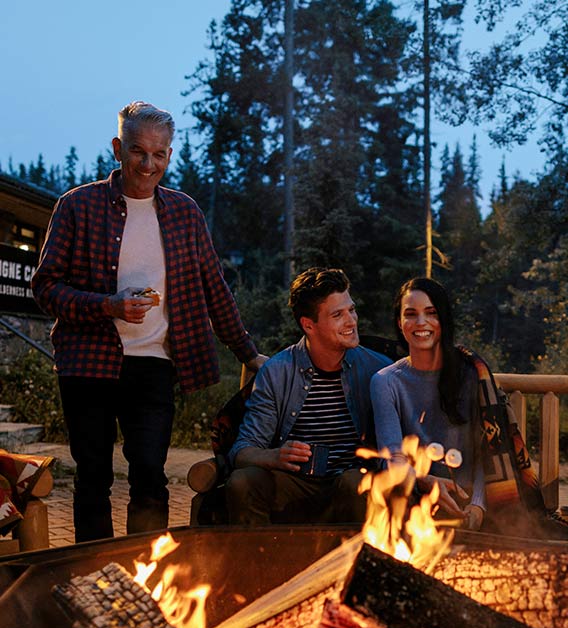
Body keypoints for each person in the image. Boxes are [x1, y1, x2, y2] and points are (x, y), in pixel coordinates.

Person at [31, 100, 265, 544]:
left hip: (155, 365)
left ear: (170, 155)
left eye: (159, 154)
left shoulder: (185, 213)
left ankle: (147, 572)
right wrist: (107, 306)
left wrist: (248, 354)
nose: (148, 164)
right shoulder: (76, 206)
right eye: (139, 151)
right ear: (119, 147)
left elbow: (215, 288)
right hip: (87, 364)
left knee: (150, 477)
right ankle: (94, 575)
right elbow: (45, 288)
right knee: (93, 477)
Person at [225, 267, 392, 526]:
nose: (351, 321)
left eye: (352, 309)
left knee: (357, 482)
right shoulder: (278, 371)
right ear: (308, 325)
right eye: (338, 314)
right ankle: (259, 562)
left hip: (350, 484)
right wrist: (274, 456)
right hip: (295, 484)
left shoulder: (377, 370)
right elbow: (241, 451)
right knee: (242, 482)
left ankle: (362, 563)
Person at [370, 276, 486, 531]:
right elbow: (392, 458)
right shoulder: (385, 382)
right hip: (414, 495)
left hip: (468, 498)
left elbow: (485, 454)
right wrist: (424, 481)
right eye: (410, 314)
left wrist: (478, 505)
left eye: (431, 313)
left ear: (443, 320)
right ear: (400, 324)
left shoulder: (471, 375)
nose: (421, 322)